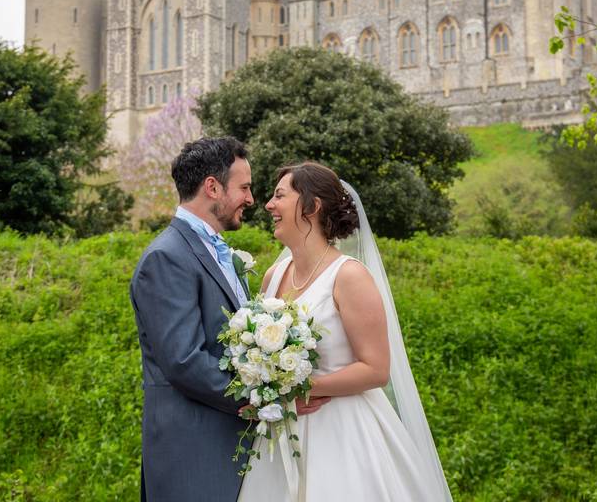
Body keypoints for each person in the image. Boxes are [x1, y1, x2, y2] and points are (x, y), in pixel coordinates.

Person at [238, 161, 453, 502]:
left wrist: (302, 390)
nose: (268, 205)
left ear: (312, 205)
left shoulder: (349, 276)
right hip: (282, 436)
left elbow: (376, 368)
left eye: (280, 195)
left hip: (344, 433)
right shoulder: (273, 277)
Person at [129, 136, 257, 501]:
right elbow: (183, 359)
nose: (250, 199)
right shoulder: (167, 257)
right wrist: (257, 398)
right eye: (244, 187)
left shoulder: (217, 251)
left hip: (228, 444)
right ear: (213, 187)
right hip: (193, 451)